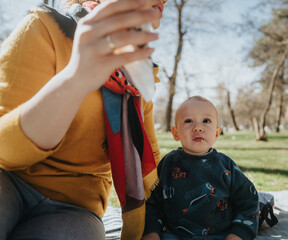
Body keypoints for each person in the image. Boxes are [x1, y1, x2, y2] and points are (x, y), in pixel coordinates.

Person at [0, 0, 167, 239]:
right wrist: (76, 77)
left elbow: (149, 163)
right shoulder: (44, 26)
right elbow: (4, 152)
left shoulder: (140, 76)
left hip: (75, 208)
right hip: (8, 179)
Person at [142, 96, 259, 240]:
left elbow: (248, 201)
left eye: (206, 121)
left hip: (222, 234)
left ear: (217, 133)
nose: (198, 127)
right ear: (175, 133)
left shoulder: (226, 166)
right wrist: (151, 232)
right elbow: (152, 202)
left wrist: (238, 234)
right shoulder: (168, 163)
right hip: (174, 234)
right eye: (188, 121)